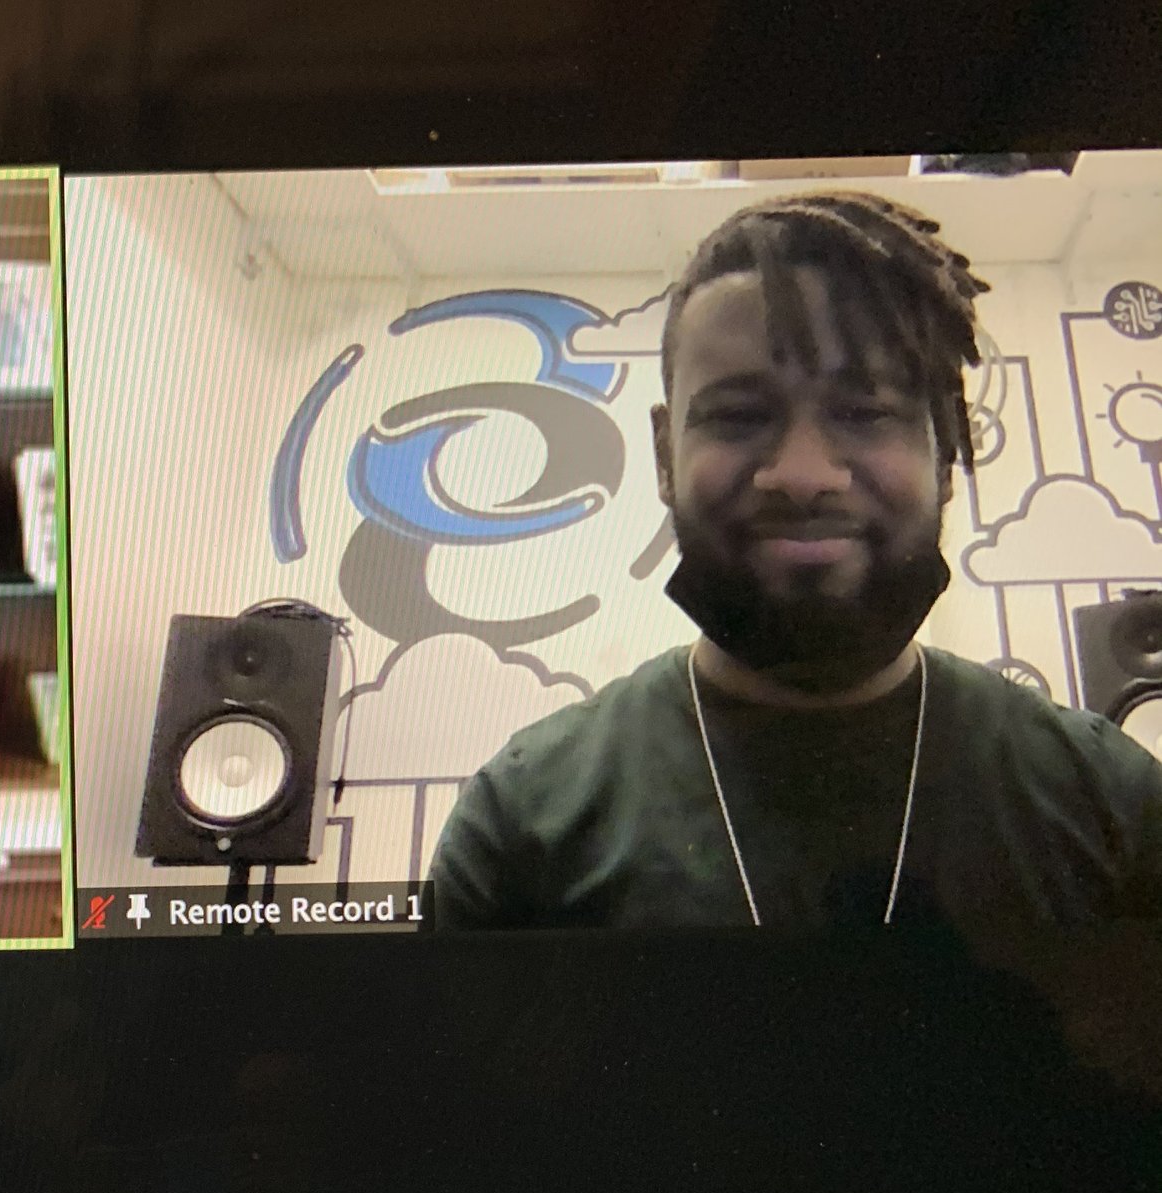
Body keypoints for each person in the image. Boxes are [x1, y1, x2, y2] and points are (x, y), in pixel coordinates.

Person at [426, 191, 1162, 930]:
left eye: (866, 411)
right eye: (739, 416)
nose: (804, 473)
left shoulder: (1112, 804)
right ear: (663, 455)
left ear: (946, 451)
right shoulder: (521, 822)